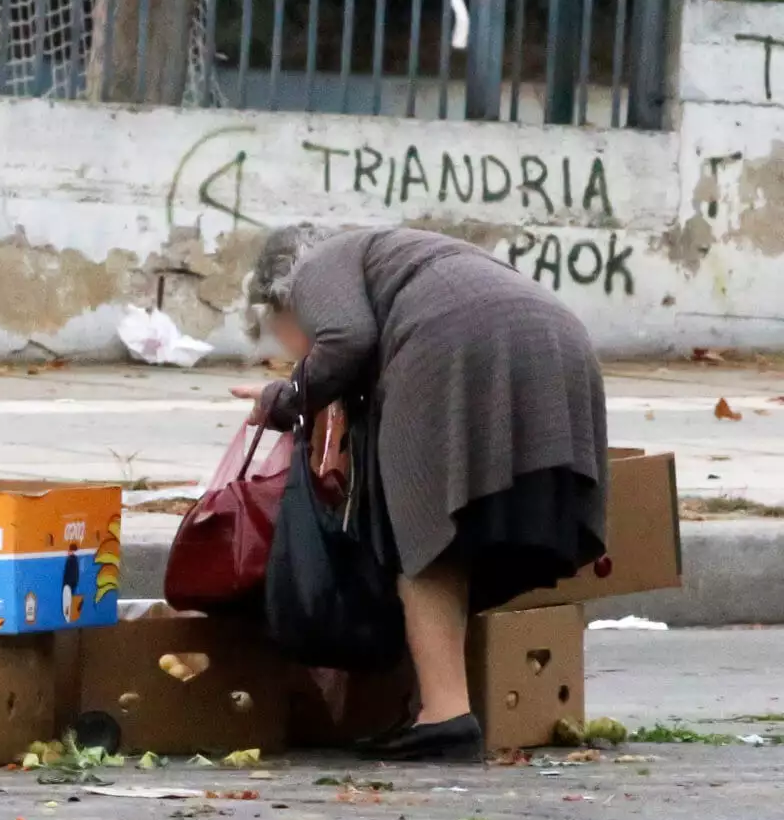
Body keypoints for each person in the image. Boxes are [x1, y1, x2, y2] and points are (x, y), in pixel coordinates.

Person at [233, 225, 608, 762]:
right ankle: (441, 705)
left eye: (282, 334)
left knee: (422, 533)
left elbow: (346, 340)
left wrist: (286, 397)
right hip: (559, 344)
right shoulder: (400, 255)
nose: (292, 349)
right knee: (470, 525)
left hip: (457, 346)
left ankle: (445, 715)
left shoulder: (315, 268)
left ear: (281, 301)